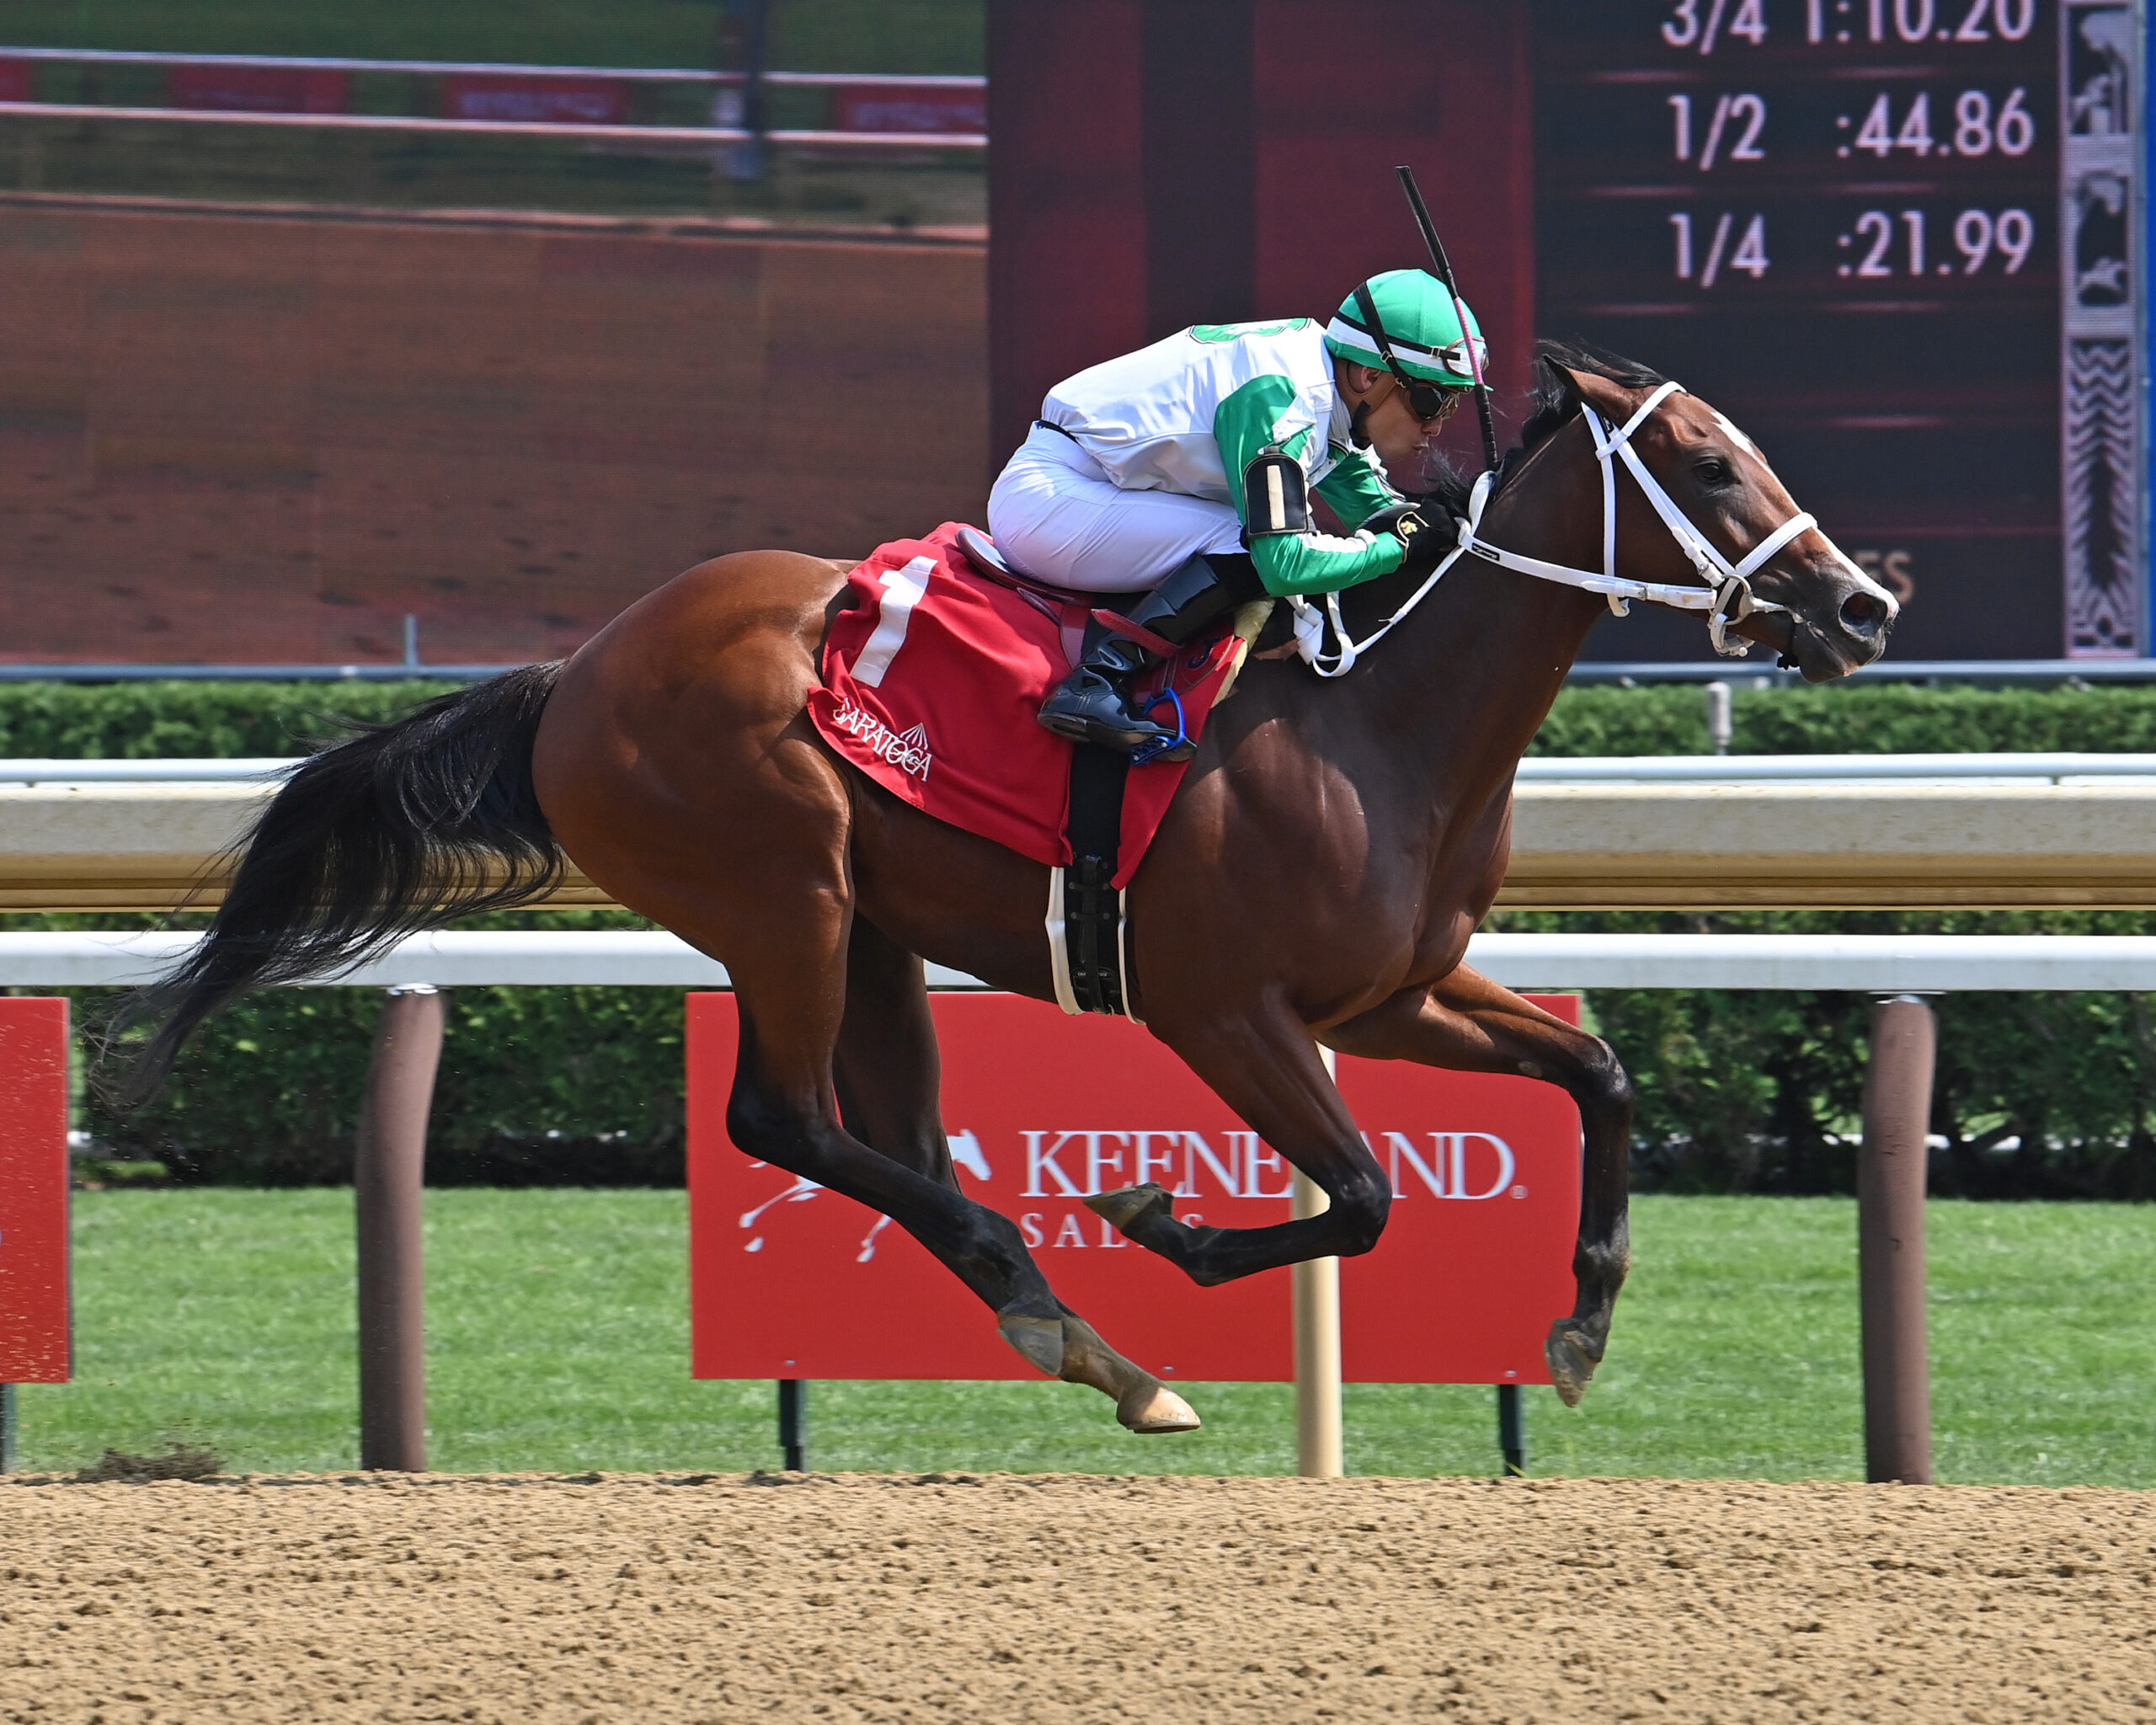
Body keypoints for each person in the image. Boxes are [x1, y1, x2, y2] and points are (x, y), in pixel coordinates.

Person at [987, 269, 1483, 760]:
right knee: (1250, 542)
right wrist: (1395, 546)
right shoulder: (1283, 398)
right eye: (1430, 399)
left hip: (1097, 490)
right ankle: (1097, 680)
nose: (1437, 426)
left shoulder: (1331, 394)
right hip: (1053, 500)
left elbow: (1381, 513)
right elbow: (1283, 563)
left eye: (1453, 404)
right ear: (1368, 374)